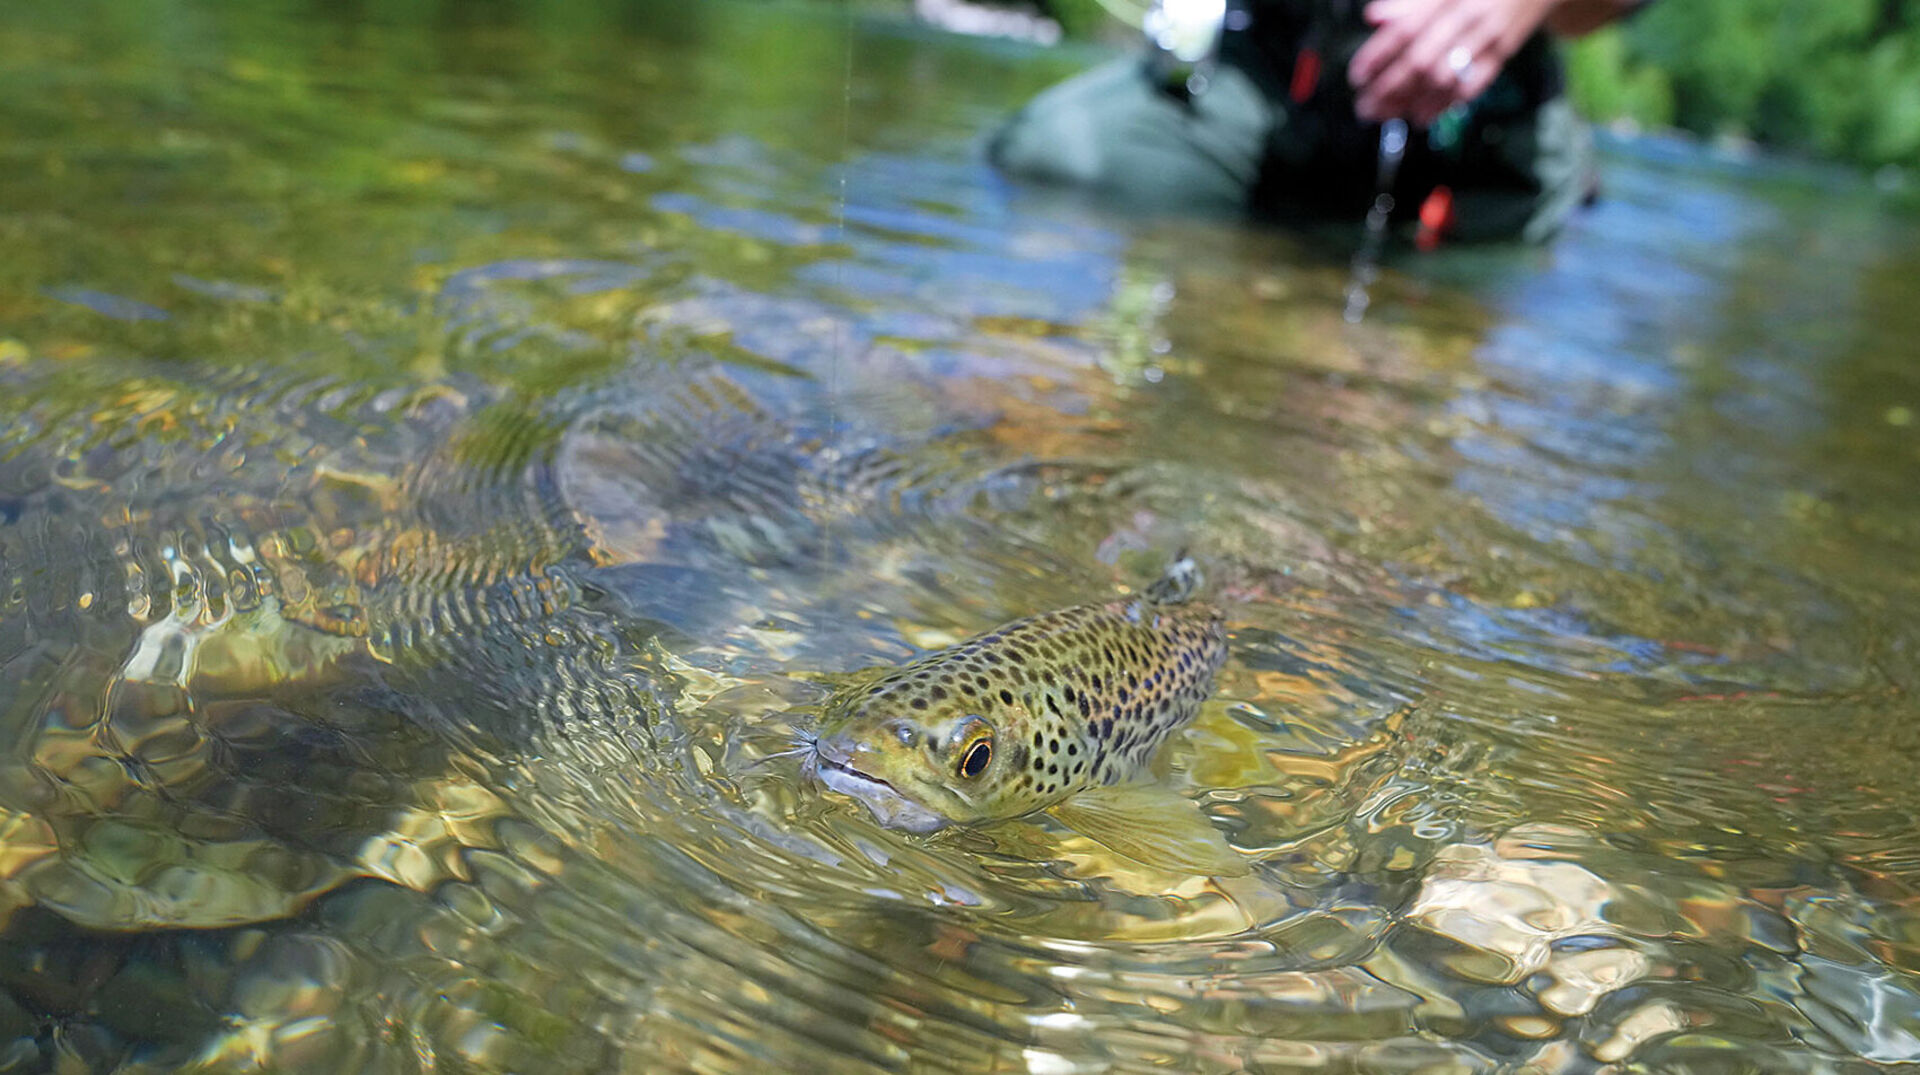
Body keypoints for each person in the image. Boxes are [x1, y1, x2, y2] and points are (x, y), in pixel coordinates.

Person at [989, 0, 1651, 244]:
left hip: (1489, 114)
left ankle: (1562, 177)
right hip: (1272, 72)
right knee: (1048, 155)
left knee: (1479, 295)